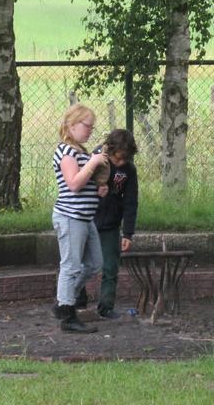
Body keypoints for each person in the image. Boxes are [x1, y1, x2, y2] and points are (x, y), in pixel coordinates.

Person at [52, 104, 109, 334]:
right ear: (72, 125)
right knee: (71, 266)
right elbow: (74, 184)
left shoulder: (82, 152)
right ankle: (67, 315)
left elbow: (84, 185)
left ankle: (63, 300)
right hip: (70, 217)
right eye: (87, 126)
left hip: (85, 218)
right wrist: (93, 162)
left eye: (92, 127)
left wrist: (98, 189)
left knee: (95, 263)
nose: (90, 131)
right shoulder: (67, 152)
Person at [93, 129, 140, 320]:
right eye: (118, 158)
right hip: (88, 219)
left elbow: (131, 201)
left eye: (125, 159)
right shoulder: (96, 160)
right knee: (79, 264)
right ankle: (76, 303)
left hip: (112, 225)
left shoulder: (129, 170)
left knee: (110, 267)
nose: (120, 163)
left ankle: (106, 307)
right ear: (110, 150)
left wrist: (128, 233)